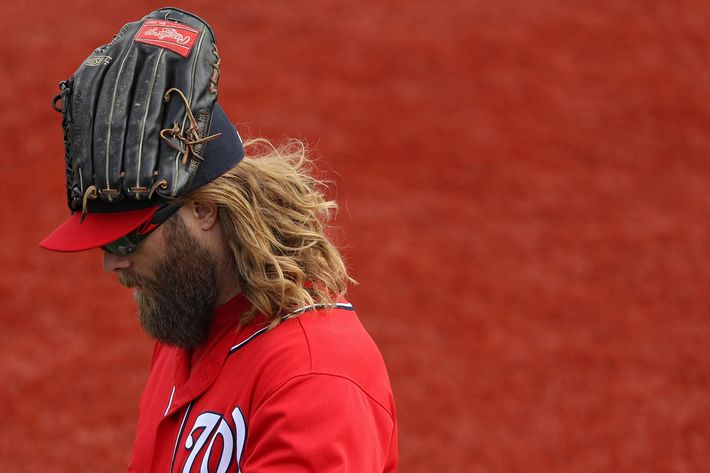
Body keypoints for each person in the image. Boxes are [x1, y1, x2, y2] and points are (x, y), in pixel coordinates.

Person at [40, 7, 397, 472]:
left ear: (203, 210)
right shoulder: (186, 318)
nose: (112, 263)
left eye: (127, 241)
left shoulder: (316, 379)